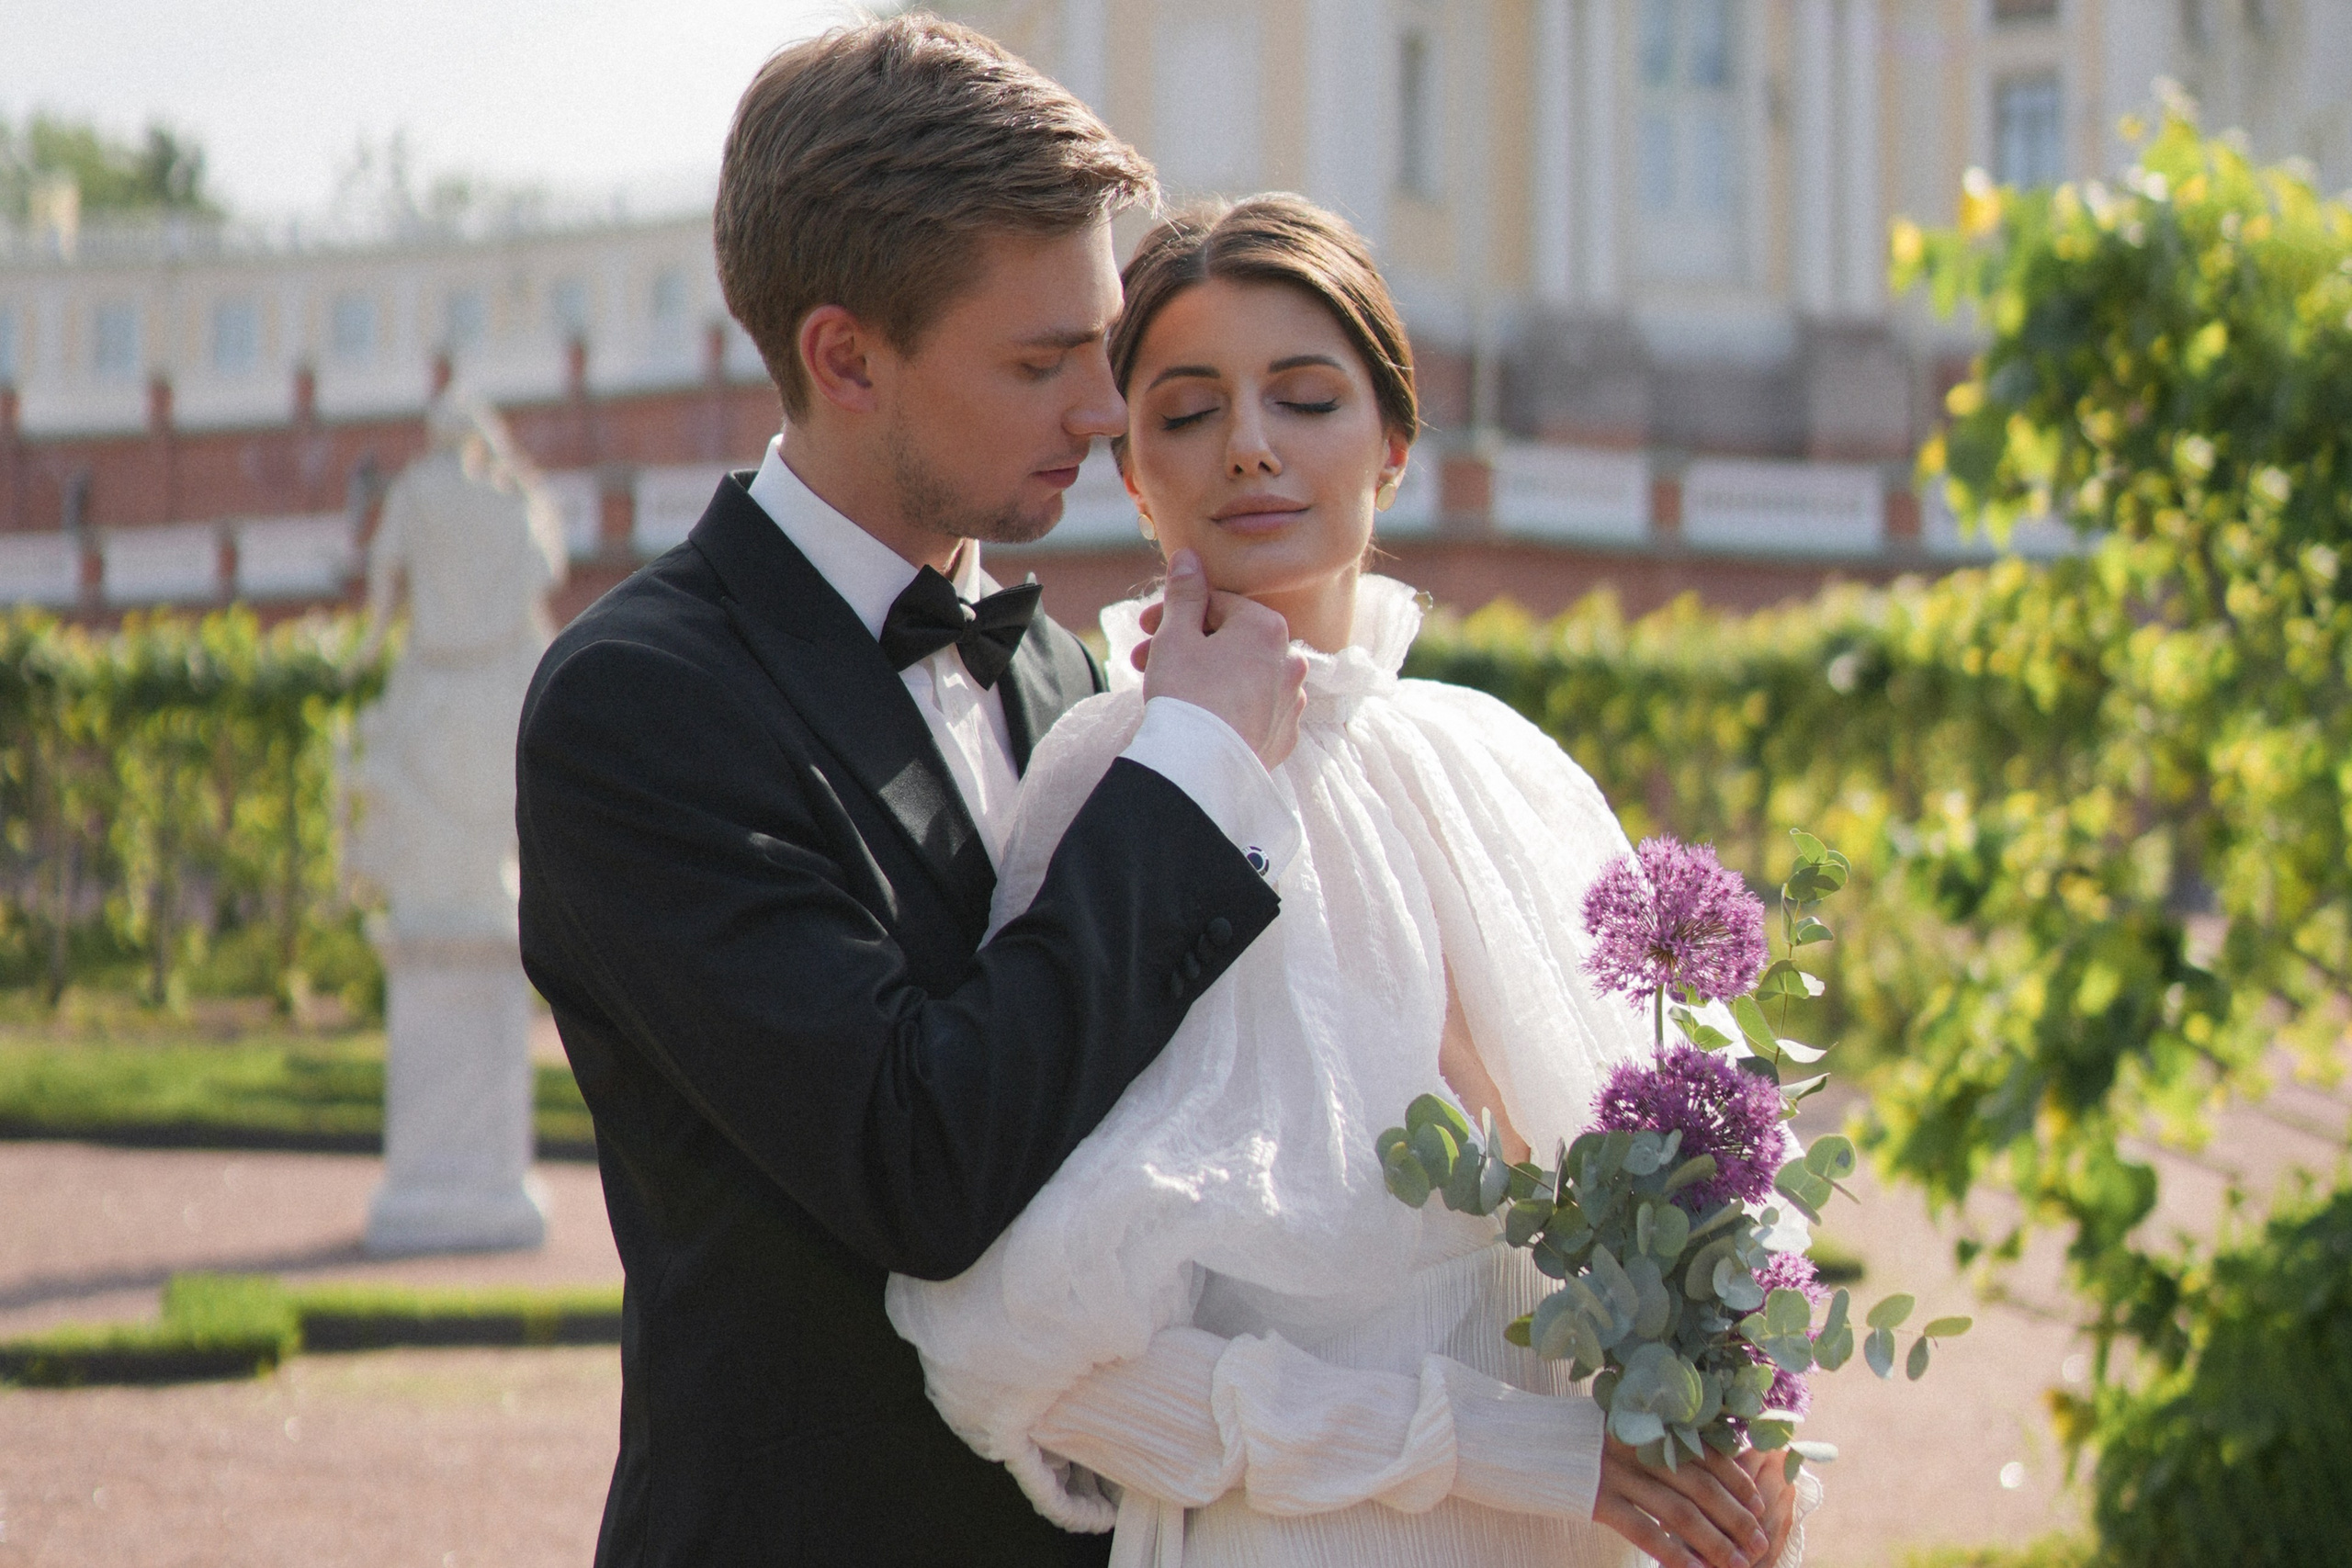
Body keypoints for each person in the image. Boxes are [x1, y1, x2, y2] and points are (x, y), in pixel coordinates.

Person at [888, 197, 1812, 1568]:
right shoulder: (1114, 785)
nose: (1249, 444)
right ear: (1133, 474)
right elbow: (1033, 1363)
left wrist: (1740, 1428)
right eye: (1188, 412)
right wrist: (1517, 1452)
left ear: (1392, 442)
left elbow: (1713, 1199)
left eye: (1305, 397)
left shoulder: (1507, 768)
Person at [514, 19, 1312, 1566]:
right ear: (844, 356)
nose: (1103, 410)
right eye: (1040, 361)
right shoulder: (638, 707)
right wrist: (1197, 767)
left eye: (1105, 342)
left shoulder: (1073, 681)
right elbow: (919, 1160)